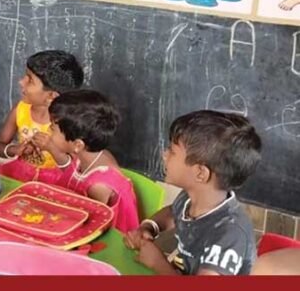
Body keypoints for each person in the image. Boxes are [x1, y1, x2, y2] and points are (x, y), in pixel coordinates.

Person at [124, 110, 261, 275]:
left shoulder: (229, 234)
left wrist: (158, 263)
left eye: (172, 151)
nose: (164, 155)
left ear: (201, 173)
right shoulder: (191, 198)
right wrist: (149, 227)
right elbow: (172, 213)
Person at [41, 89, 140, 233]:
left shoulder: (99, 186)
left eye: (53, 128)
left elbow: (93, 226)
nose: (49, 131)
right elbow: (73, 176)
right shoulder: (89, 154)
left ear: (77, 144)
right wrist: (51, 148)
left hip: (107, 241)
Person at [0, 49, 84, 182]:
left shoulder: (68, 122)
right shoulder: (20, 109)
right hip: (21, 175)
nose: (21, 82)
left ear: (51, 96)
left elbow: (74, 170)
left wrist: (51, 148)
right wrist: (15, 150)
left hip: (55, 183)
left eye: (29, 80)